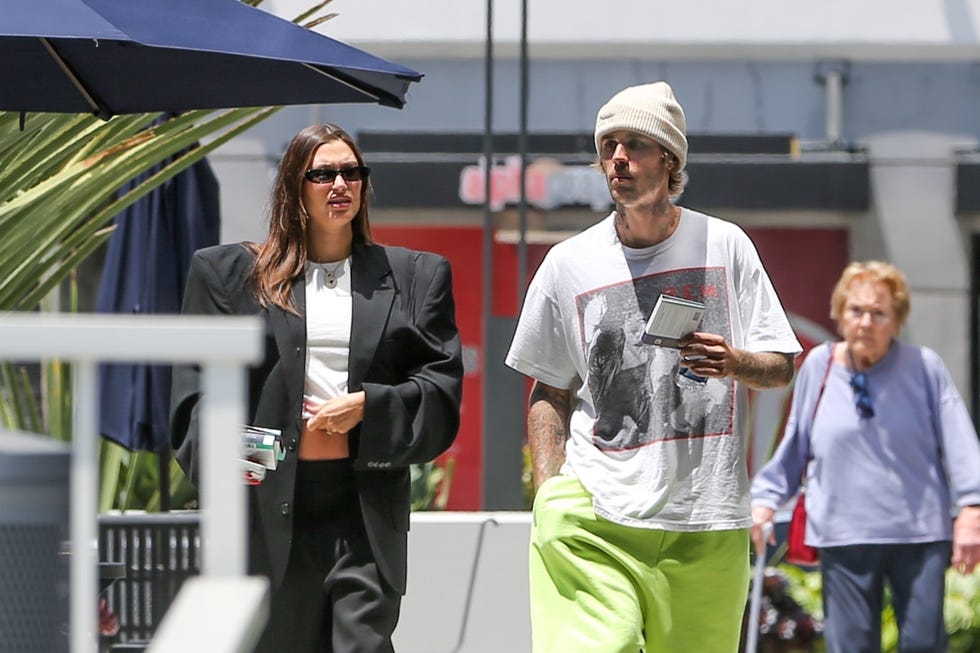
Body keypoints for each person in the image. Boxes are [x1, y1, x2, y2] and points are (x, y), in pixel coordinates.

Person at [505, 81, 803, 652]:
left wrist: (734, 361)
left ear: (669, 159)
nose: (617, 158)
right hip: (596, 516)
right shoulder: (567, 264)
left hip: (706, 518)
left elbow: (781, 365)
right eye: (608, 144)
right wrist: (549, 492)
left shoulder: (725, 244)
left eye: (634, 143)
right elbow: (549, 389)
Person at [170, 123, 464, 652]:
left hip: (362, 513)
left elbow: (440, 396)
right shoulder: (228, 276)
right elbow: (194, 408)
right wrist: (263, 455)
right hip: (268, 514)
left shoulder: (417, 277)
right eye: (323, 173)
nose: (340, 184)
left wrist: (369, 407)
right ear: (293, 185)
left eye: (351, 172)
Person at [750, 260, 980, 653]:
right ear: (840, 313)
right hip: (844, 533)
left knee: (923, 645)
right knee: (850, 646)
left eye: (879, 312)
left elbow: (961, 443)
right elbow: (796, 445)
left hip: (919, 535)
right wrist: (765, 500)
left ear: (896, 319)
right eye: (856, 310)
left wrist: (972, 511)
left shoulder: (923, 367)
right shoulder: (819, 366)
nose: (866, 322)